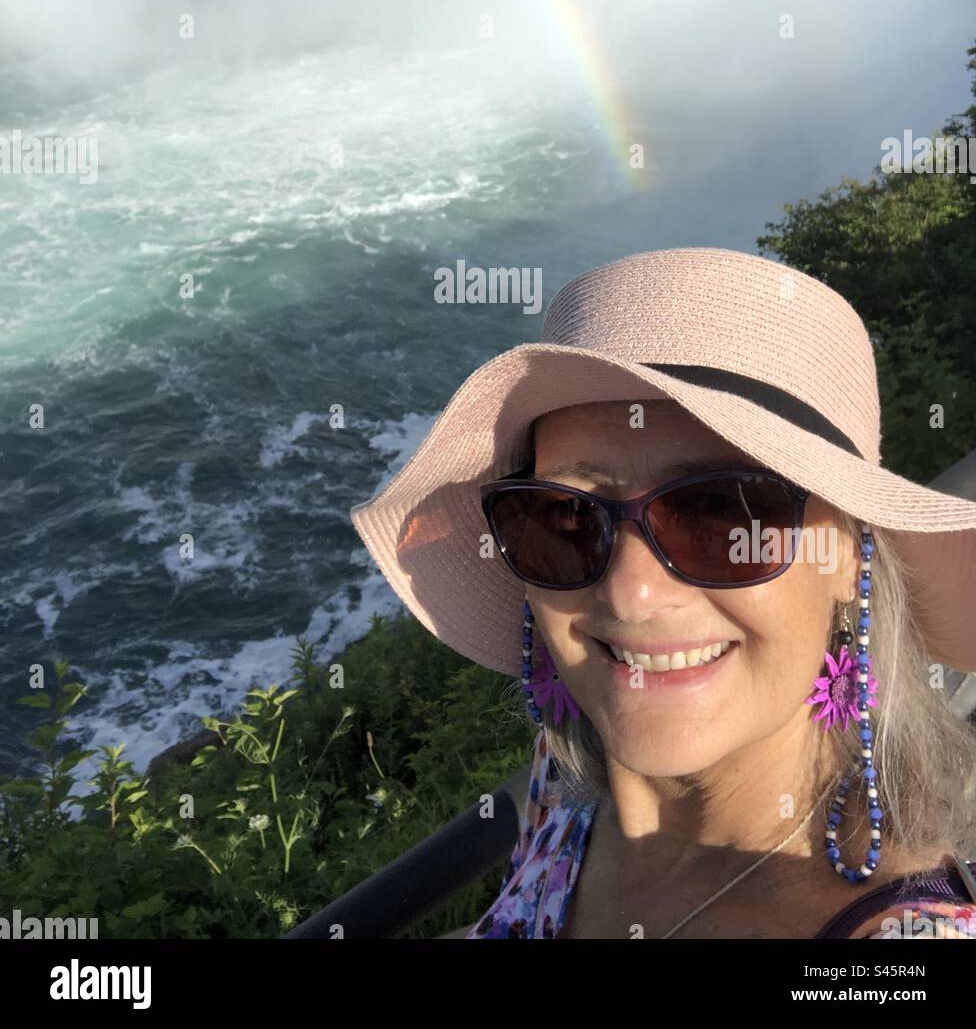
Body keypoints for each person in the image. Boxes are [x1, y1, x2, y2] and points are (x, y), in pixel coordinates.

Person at [351, 247, 976, 939]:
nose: (632, 593)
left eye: (721, 512)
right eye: (564, 516)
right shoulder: (566, 780)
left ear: (847, 551)